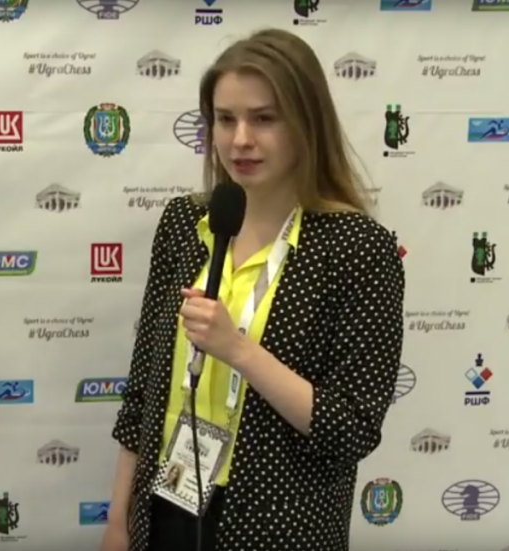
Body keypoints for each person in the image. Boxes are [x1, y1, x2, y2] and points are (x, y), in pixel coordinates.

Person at [101, 29, 404, 551]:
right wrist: (118, 518)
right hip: (168, 504)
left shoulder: (357, 248)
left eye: (264, 119)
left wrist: (238, 350)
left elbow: (352, 428)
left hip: (280, 525)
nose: (240, 139)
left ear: (307, 124)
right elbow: (144, 390)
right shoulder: (184, 223)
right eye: (225, 119)